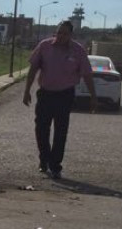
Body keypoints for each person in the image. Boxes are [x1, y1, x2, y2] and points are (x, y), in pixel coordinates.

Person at [22, 21, 96, 179]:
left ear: (71, 35)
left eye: (65, 33)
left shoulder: (78, 51)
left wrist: (93, 96)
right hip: (45, 94)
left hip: (65, 95)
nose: (61, 36)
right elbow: (33, 69)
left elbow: (87, 75)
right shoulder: (44, 46)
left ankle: (55, 165)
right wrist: (27, 90)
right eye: (59, 32)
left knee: (60, 131)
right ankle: (44, 159)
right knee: (41, 129)